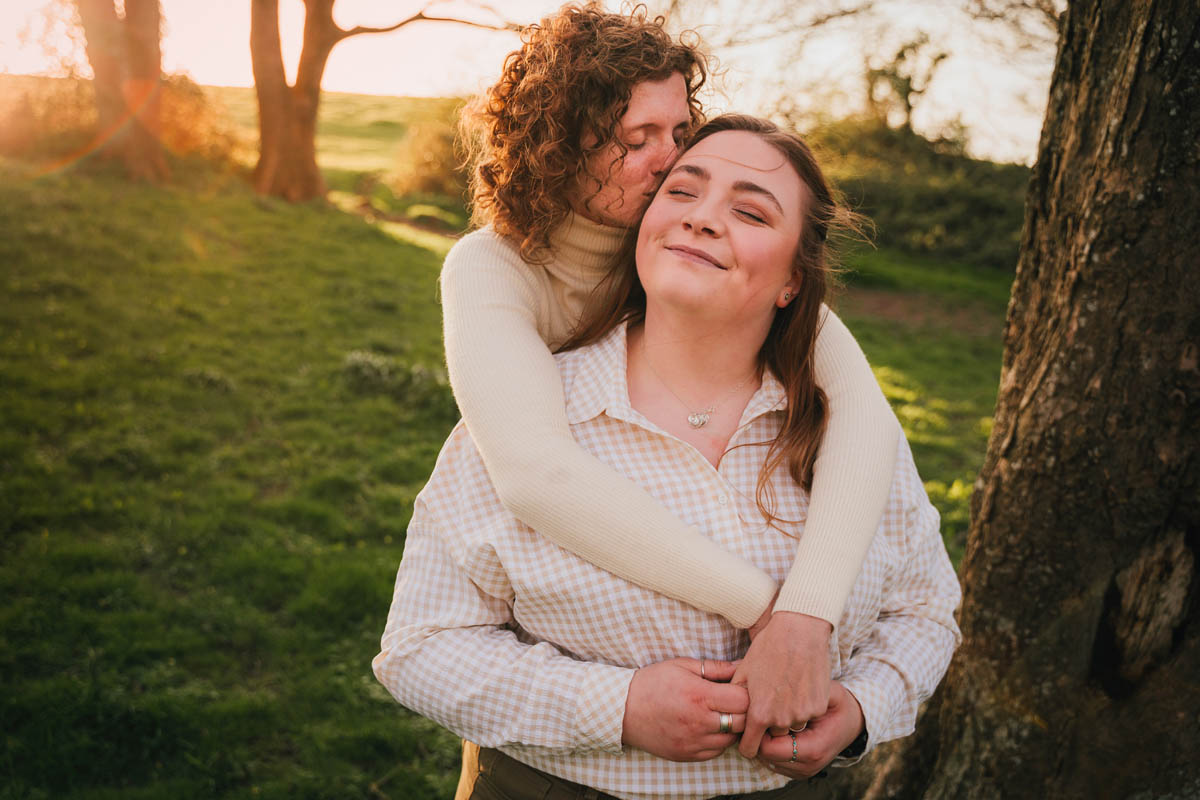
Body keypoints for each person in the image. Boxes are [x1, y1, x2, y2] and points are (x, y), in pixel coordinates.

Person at [375, 114, 961, 799]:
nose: (704, 218)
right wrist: (615, 706)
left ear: (792, 283)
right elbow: (421, 649)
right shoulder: (527, 413)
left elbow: (925, 613)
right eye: (682, 192)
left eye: (749, 211)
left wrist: (858, 709)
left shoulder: (851, 435)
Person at [441, 2, 901, 746]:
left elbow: (865, 413)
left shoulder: (682, 249)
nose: (671, 161)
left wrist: (810, 612)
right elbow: (534, 475)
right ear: (557, 147)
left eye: (680, 131)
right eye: (637, 138)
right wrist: (764, 610)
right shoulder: (493, 267)